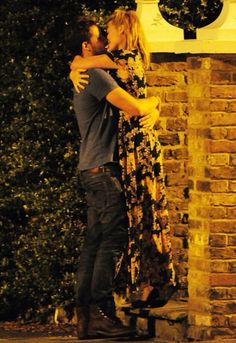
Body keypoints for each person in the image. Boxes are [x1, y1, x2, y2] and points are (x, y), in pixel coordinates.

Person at [70, 9, 179, 309]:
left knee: (145, 214)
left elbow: (87, 63)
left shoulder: (124, 60)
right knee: (136, 218)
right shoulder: (110, 67)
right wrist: (153, 104)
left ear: (124, 30)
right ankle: (141, 287)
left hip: (138, 148)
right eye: (100, 35)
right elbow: (133, 102)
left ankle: (153, 284)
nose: (106, 37)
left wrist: (75, 64)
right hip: (125, 152)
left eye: (109, 30)